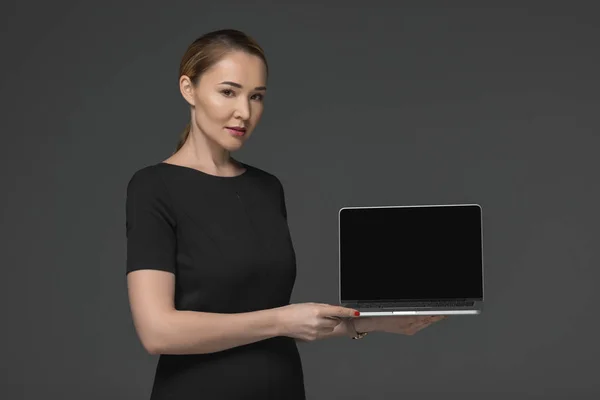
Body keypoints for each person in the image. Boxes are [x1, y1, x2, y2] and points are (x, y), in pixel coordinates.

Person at [125, 29, 445, 400]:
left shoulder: (266, 187)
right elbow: (158, 331)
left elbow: (286, 322)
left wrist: (374, 323)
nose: (244, 112)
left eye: (256, 97)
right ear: (188, 89)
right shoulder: (153, 187)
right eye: (228, 92)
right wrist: (281, 319)